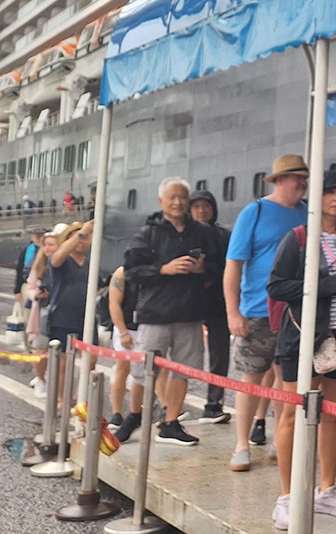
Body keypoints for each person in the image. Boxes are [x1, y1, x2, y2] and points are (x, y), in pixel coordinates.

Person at [267, 171, 336, 528]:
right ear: (317, 196)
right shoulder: (298, 237)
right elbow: (278, 286)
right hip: (304, 336)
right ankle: (286, 496)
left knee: (334, 414)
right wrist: (331, 285)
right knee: (294, 415)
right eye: (330, 192)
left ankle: (326, 489)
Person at [116, 178, 223, 446]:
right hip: (156, 312)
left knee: (182, 370)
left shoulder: (203, 232)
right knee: (143, 370)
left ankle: (172, 421)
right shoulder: (149, 233)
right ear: (161, 202)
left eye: (182, 197)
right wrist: (163, 269)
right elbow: (131, 270)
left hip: (190, 311)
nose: (178, 202)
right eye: (172, 197)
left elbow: (221, 266)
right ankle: (134, 414)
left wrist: (202, 270)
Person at [225, 155, 309, 470]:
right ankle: (241, 445)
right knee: (252, 378)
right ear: (277, 181)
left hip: (295, 312)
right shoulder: (255, 212)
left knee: (284, 379)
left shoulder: (307, 213)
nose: (301, 183)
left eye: (303, 178)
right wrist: (233, 312)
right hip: (258, 311)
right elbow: (233, 265)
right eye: (294, 177)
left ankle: (279, 439)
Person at [105, 266, 169, 430]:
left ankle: (164, 406)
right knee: (122, 368)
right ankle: (117, 412)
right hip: (127, 325)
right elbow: (114, 303)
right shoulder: (121, 273)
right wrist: (123, 331)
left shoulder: (153, 269)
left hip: (148, 323)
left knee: (158, 367)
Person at [189, 189, 232, 424]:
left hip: (217, 299)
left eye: (206, 206)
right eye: (196, 206)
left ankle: (214, 403)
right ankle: (169, 403)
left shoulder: (224, 235)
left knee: (219, 355)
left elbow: (230, 267)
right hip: (187, 301)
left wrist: (205, 270)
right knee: (183, 353)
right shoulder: (182, 234)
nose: (202, 210)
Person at [47, 220, 96, 398]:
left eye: (83, 237)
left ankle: (78, 395)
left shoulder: (92, 262)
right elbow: (57, 258)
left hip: (87, 316)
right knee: (64, 362)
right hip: (63, 316)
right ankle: (61, 398)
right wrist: (81, 233)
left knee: (92, 358)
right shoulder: (61, 260)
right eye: (74, 237)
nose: (81, 241)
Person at [24, 229, 58, 399]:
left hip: (60, 309)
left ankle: (57, 384)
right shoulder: (39, 265)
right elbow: (29, 288)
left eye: (51, 245)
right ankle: (40, 378)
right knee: (40, 348)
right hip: (42, 311)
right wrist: (36, 294)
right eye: (45, 245)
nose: (47, 248)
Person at [14, 228, 42, 305]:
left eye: (41, 236)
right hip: (27, 284)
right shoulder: (27, 251)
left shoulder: (47, 251)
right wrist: (17, 290)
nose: (39, 239)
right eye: (37, 236)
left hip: (42, 287)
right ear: (33, 237)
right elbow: (19, 270)